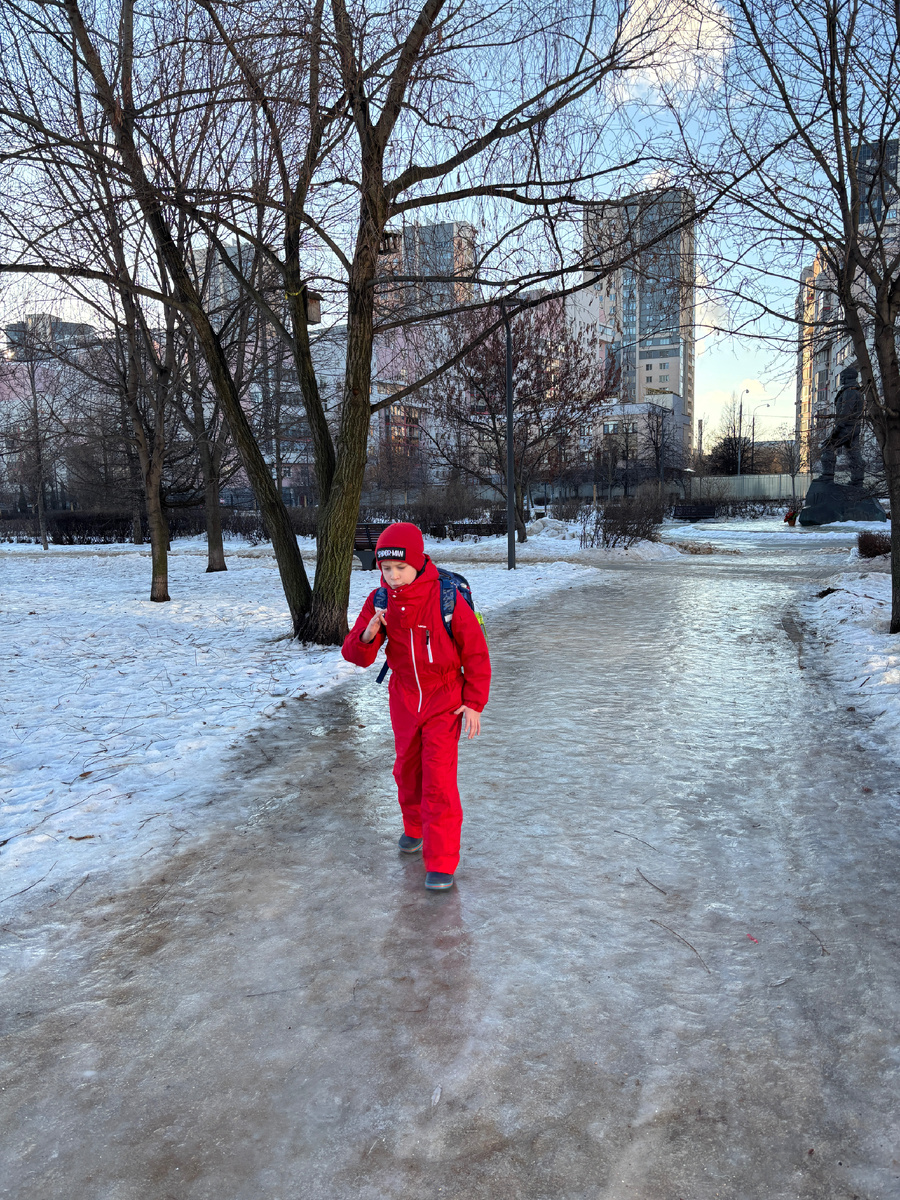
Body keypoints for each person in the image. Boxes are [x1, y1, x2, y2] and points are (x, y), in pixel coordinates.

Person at [341, 522, 491, 891]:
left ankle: (441, 861)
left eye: (401, 567)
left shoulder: (446, 597)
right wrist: (369, 633)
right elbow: (356, 655)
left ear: (419, 562)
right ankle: (414, 827)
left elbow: (475, 652)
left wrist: (474, 702)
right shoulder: (380, 600)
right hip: (404, 698)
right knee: (406, 770)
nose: (393, 576)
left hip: (445, 700)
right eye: (386, 568)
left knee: (438, 781)